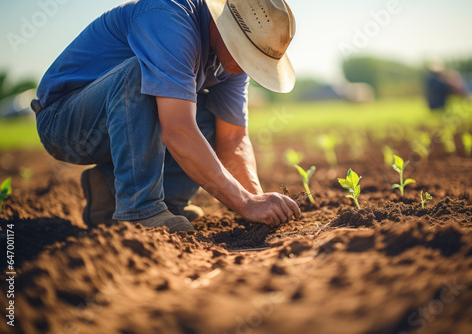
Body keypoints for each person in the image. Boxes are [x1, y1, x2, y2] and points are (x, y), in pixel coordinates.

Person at [31, 0, 301, 232]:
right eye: (248, 52)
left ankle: (116, 192)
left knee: (208, 114)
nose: (248, 65)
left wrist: (256, 200)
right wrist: (244, 203)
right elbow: (178, 130)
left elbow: (233, 138)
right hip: (63, 122)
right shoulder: (170, 19)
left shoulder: (230, 64)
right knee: (142, 76)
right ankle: (140, 210)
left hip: (114, 125)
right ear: (225, 26)